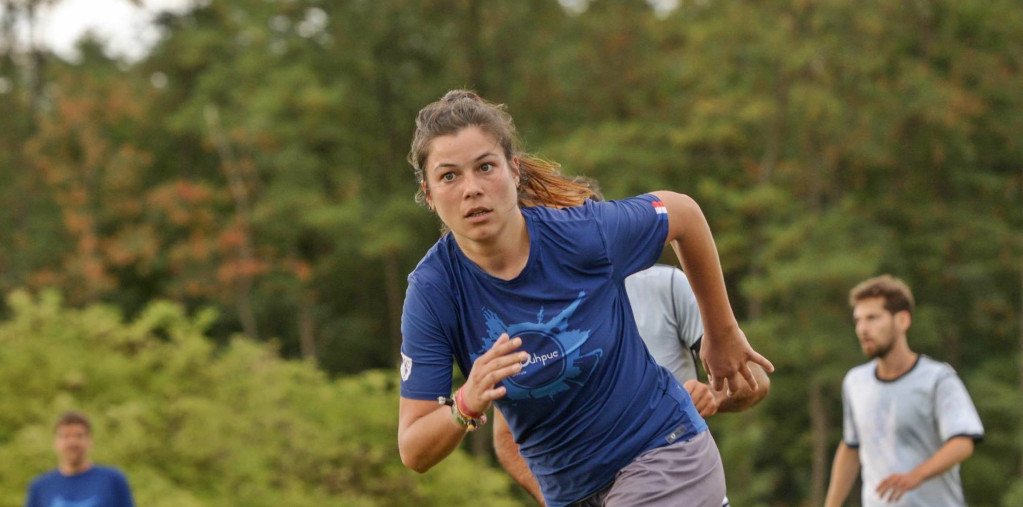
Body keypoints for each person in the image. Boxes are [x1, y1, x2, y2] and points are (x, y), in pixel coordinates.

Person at [397, 89, 774, 507]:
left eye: (485, 167)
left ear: (514, 171)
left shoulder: (582, 235)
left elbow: (682, 212)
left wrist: (722, 333)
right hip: (570, 494)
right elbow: (414, 449)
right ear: (429, 194)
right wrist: (464, 403)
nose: (471, 188)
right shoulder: (433, 291)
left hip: (662, 448)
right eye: (449, 176)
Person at [493, 264, 771, 505]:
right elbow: (506, 436)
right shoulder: (533, 315)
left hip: (677, 480)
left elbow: (755, 379)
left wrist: (714, 396)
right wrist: (559, 498)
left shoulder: (666, 285)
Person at [824, 275, 984, 507]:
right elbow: (851, 447)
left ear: (902, 321)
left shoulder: (938, 379)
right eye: (858, 320)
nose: (862, 329)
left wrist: (915, 476)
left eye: (872, 318)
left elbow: (963, 442)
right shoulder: (855, 382)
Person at [25, 411, 136, 507]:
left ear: (90, 441)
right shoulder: (40, 487)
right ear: (55, 443)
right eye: (66, 436)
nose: (72, 442)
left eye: (79, 436)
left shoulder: (113, 480)